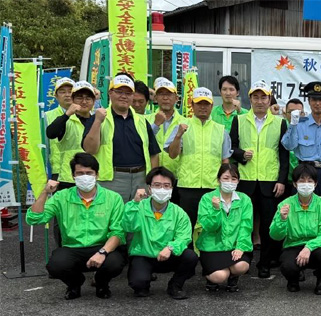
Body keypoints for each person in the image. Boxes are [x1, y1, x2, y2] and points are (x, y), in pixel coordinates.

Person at [26, 153, 125, 300]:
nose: (85, 177)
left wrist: (103, 252)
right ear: (73, 176)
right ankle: (75, 283)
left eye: (89, 173)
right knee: (55, 265)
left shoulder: (113, 198)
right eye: (80, 173)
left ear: (97, 175)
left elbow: (118, 232)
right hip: (72, 248)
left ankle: (101, 283)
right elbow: (34, 218)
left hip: (101, 246)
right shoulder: (62, 197)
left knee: (116, 262)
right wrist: (45, 193)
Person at [229, 80, 289, 277]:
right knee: (243, 223)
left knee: (267, 226)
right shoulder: (239, 120)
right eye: (256, 97)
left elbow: (283, 154)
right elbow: (231, 148)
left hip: (269, 180)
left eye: (264, 97)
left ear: (269, 98)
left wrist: (281, 180)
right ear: (250, 99)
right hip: (245, 180)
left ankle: (264, 263)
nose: (260, 101)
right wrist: (240, 154)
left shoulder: (280, 122)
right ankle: (243, 260)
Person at [82, 74, 161, 202]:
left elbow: (153, 153)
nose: (124, 96)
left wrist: (154, 179)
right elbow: (90, 149)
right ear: (110, 93)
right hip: (111, 179)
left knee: (139, 218)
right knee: (112, 218)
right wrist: (97, 122)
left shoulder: (142, 121)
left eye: (128, 93)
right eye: (119, 92)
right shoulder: (99, 118)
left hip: (141, 179)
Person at [124, 167, 198, 299]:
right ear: (149, 188)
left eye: (166, 186)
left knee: (190, 257)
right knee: (138, 284)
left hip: (168, 254)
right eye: (157, 185)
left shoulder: (179, 212)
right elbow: (128, 226)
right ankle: (143, 284)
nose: (162, 189)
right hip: (144, 254)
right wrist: (135, 202)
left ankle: (175, 285)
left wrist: (170, 247)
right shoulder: (137, 206)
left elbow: (184, 237)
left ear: (171, 189)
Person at [166, 87, 233, 228]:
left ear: (212, 106)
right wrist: (178, 135)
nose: (203, 107)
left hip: (213, 187)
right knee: (186, 226)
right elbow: (172, 155)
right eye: (199, 103)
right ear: (192, 105)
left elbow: (225, 161)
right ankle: (186, 250)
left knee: (211, 226)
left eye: (206, 104)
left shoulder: (221, 130)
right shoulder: (182, 126)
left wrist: (225, 185)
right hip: (188, 186)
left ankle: (210, 251)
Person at [270, 164, 321, 295]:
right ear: (294, 184)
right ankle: (293, 279)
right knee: (287, 265)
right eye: (301, 181)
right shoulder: (285, 204)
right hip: (293, 245)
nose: (306, 184)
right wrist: (281, 220)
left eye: (310, 181)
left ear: (315, 184)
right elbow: (275, 235)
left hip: (316, 246)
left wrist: (309, 247)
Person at [282, 81, 321, 204]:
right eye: (314, 100)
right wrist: (293, 125)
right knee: (299, 211)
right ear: (309, 101)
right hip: (303, 174)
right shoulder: (299, 124)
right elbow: (288, 145)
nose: (317, 103)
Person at [196, 164, 254, 293]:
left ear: (238, 181)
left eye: (234, 179)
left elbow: (246, 226)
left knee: (242, 266)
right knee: (220, 276)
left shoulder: (245, 200)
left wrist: (240, 247)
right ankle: (213, 278)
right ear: (218, 179)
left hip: (234, 246)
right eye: (226, 178)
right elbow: (209, 227)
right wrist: (216, 210)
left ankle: (233, 276)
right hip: (212, 247)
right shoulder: (207, 198)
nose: (230, 182)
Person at [47, 81, 96, 188]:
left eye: (88, 98)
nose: (84, 102)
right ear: (72, 100)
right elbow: (50, 133)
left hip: (93, 175)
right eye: (79, 98)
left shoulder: (98, 120)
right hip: (68, 177)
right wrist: (67, 114)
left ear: (94, 101)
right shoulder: (65, 120)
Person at [148, 78, 184, 181]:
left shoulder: (185, 122)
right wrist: (156, 124)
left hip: (176, 176)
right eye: (161, 94)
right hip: (151, 176)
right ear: (155, 98)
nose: (165, 98)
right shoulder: (146, 119)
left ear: (176, 98)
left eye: (169, 94)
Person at [45, 77, 76, 181]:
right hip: (57, 172)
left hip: (85, 169)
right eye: (62, 92)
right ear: (56, 96)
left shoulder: (87, 113)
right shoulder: (47, 116)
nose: (67, 95)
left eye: (70, 91)